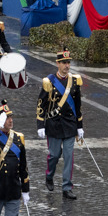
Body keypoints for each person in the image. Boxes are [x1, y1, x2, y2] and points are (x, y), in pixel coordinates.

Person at [36, 50, 83, 199]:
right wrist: (40, 125)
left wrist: (80, 126)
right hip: (54, 124)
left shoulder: (75, 81)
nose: (66, 66)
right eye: (64, 63)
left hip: (69, 125)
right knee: (54, 155)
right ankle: (49, 176)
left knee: (69, 156)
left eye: (68, 63)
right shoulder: (49, 82)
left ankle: (67, 187)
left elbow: (78, 105)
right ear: (57, 64)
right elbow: (41, 105)